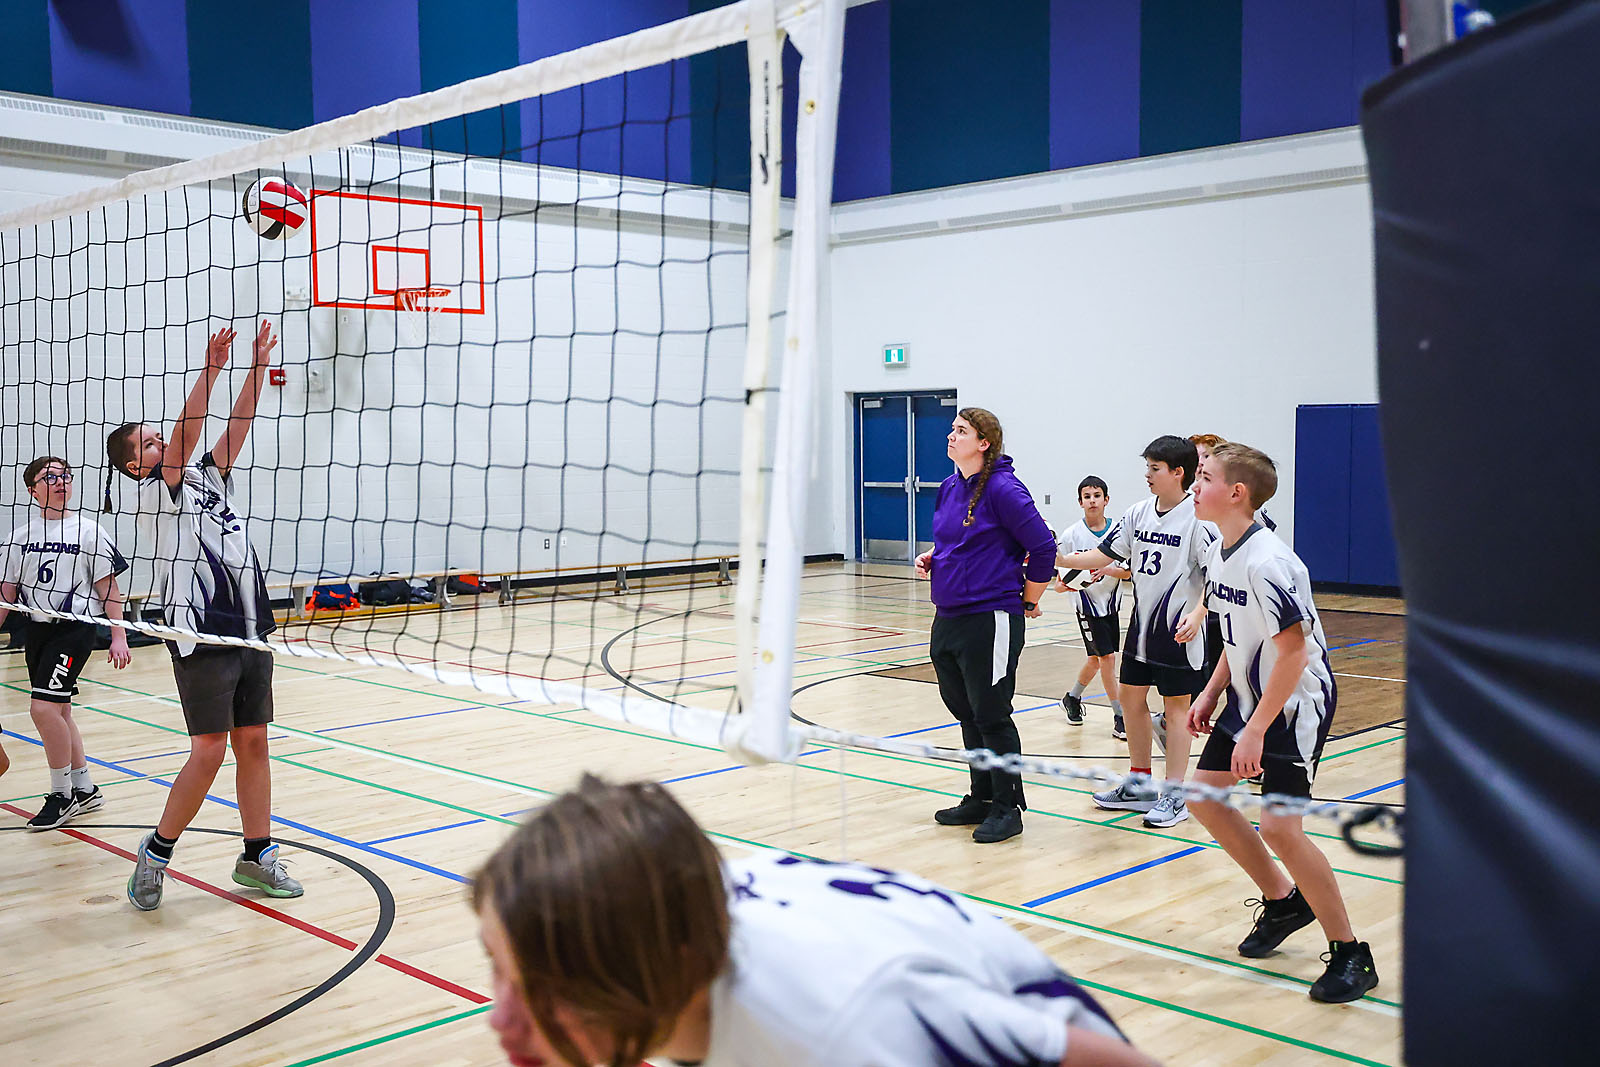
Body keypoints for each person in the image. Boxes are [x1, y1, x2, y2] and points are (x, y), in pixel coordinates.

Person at [473, 774, 1156, 1067]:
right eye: (496, 968)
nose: (498, 1018)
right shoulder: (675, 907)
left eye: (535, 980)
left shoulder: (845, 1024)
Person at [105, 319, 302, 909]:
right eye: (147, 442)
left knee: (255, 743)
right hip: (199, 628)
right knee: (209, 749)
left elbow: (235, 428)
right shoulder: (153, 491)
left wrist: (256, 367)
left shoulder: (203, 478)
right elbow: (187, 435)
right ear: (135, 466)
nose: (158, 443)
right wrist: (210, 367)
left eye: (153, 437)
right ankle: (157, 851)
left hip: (248, 622)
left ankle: (257, 854)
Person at [1187, 442, 1378, 1002]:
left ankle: (1350, 954)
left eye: (1203, 477)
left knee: (1280, 828)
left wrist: (1254, 730)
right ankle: (1281, 899)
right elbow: (1234, 635)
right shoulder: (1222, 547)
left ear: (1236, 492)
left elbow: (1293, 655)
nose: (1195, 487)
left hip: (1294, 705)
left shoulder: (1269, 562)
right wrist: (1211, 693)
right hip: (1249, 699)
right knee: (1203, 795)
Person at [913, 407, 1055, 844]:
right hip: (949, 614)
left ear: (984, 442)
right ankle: (980, 796)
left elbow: (1043, 547)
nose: (950, 436)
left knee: (992, 714)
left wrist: (1029, 600)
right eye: (952, 430)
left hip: (991, 616)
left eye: (961, 431)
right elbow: (956, 542)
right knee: (965, 711)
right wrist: (935, 560)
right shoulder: (951, 487)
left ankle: (1008, 807)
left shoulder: (1003, 489)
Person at [1057, 436, 1214, 828]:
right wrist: (1057, 557)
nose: (1146, 475)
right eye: (1146, 467)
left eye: (1154, 469)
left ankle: (1175, 795)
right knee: (1130, 699)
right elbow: (1104, 554)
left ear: (1178, 472)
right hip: (1142, 628)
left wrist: (1198, 614)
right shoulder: (1138, 513)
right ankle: (1140, 783)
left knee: (1177, 711)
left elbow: (1219, 576)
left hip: (1179, 631)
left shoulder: (1199, 519)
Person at [0, 456, 131, 830]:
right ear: (32, 489)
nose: (60, 482)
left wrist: (118, 636)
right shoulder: (19, 537)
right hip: (36, 631)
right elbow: (6, 594)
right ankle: (85, 787)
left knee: (42, 710)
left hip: (75, 629)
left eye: (65, 476)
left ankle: (62, 795)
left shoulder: (89, 532)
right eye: (50, 477)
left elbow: (109, 589)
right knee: (59, 712)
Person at [1055, 476, 1130, 736]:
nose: (1092, 500)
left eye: (1097, 495)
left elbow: (1128, 573)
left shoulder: (1120, 531)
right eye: (1087, 496)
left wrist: (1106, 568)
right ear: (1080, 502)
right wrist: (1070, 583)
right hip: (1086, 606)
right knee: (1107, 659)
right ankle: (1120, 716)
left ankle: (1072, 698)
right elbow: (1059, 581)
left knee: (1096, 660)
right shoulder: (1071, 535)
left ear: (1106, 500)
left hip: (1111, 605)